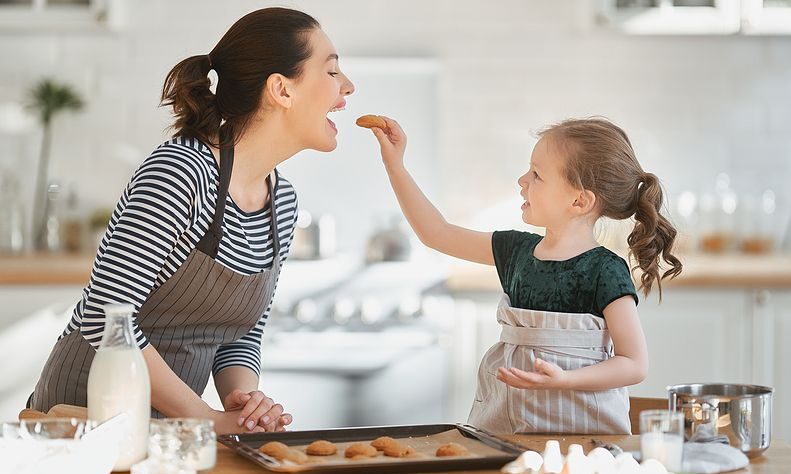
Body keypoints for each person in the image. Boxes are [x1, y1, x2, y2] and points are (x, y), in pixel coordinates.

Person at [29, 7, 355, 434]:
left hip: (175, 431)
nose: (347, 86)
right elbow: (107, 314)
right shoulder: (181, 172)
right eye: (331, 72)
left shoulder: (283, 202)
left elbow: (240, 333)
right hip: (84, 416)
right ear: (281, 90)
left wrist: (242, 403)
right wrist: (206, 418)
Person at [364, 116, 682, 433]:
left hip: (585, 443)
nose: (522, 180)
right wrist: (396, 166)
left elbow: (634, 363)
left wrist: (566, 380)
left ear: (579, 200)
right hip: (506, 435)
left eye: (536, 174)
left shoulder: (605, 270)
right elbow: (437, 233)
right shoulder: (514, 250)